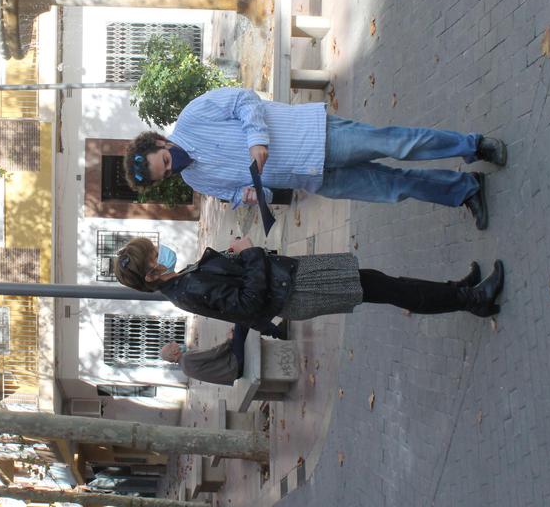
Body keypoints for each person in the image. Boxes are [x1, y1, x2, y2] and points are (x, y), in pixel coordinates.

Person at [123, 87, 507, 229]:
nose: (173, 168)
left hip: (318, 136)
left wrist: (257, 140)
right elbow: (240, 194)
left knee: (399, 145)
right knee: (394, 187)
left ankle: (472, 147)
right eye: (166, 175)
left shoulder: (193, 116)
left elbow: (243, 99)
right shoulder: (195, 180)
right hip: (310, 178)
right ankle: (465, 189)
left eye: (166, 161)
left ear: (159, 141)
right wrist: (251, 197)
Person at [113, 237, 504, 330]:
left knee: (381, 283)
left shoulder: (181, 283)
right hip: (297, 290)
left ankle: (456, 291)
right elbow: (248, 304)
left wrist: (231, 257)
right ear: (151, 274)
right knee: (387, 288)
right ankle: (471, 298)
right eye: (155, 254)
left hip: (293, 280)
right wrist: (250, 253)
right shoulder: (186, 290)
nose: (161, 251)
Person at [160, 323, 252, 386]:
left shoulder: (185, 370)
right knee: (240, 322)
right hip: (235, 364)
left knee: (238, 330)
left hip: (234, 374)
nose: (173, 342)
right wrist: (229, 340)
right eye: (171, 344)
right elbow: (213, 353)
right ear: (174, 352)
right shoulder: (186, 358)